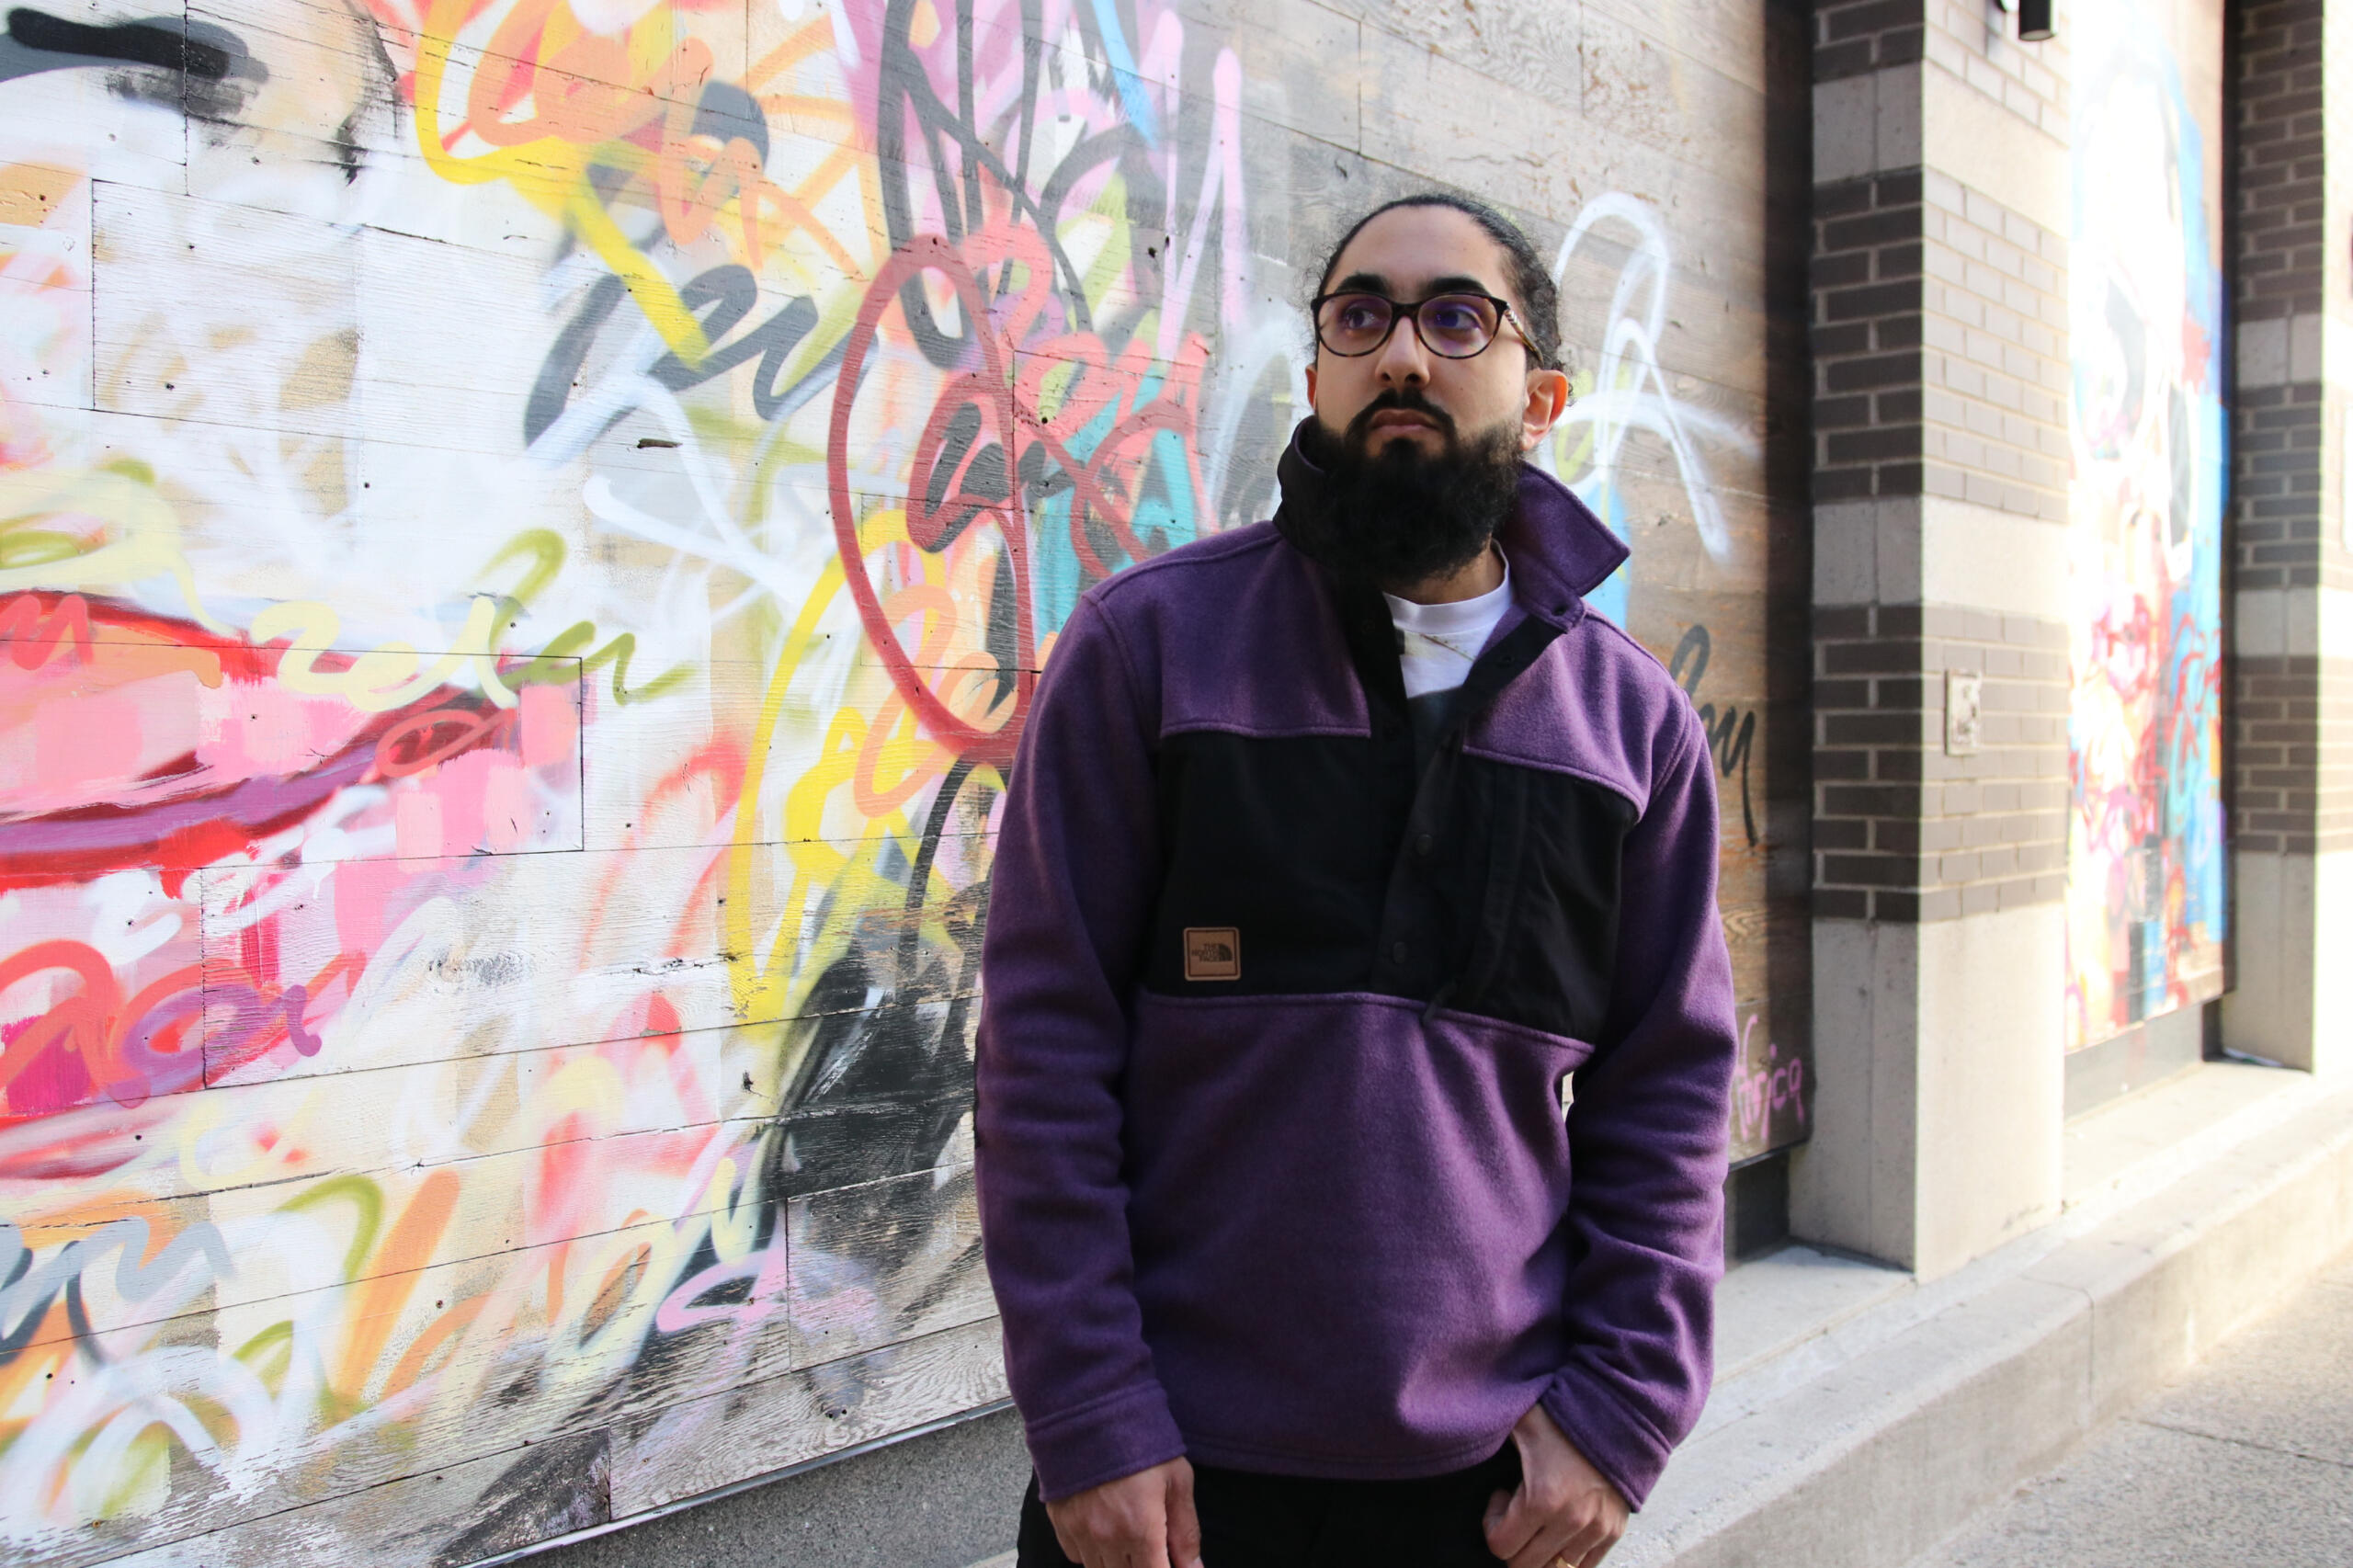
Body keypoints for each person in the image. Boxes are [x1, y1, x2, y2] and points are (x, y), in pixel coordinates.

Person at [973, 191, 1738, 1568]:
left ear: (1542, 397)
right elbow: (1044, 1052)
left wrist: (1622, 1415)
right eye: (1361, 315)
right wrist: (1089, 1411)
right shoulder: (1153, 651)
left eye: (1457, 318)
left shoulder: (1631, 730)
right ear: (1319, 373)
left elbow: (1668, 1095)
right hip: (1172, 1486)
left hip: (1484, 1499)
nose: (1401, 353)